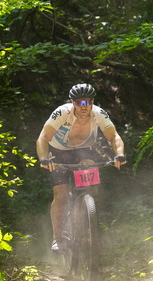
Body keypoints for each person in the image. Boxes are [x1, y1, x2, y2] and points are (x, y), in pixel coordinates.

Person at [36, 83, 126, 252]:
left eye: (87, 102)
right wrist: (44, 159)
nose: (84, 106)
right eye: (79, 103)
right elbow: (43, 137)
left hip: (84, 151)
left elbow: (113, 136)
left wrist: (119, 154)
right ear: (73, 103)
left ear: (92, 102)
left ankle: (86, 213)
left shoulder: (98, 114)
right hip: (59, 152)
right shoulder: (62, 113)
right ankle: (58, 238)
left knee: (90, 183)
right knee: (61, 194)